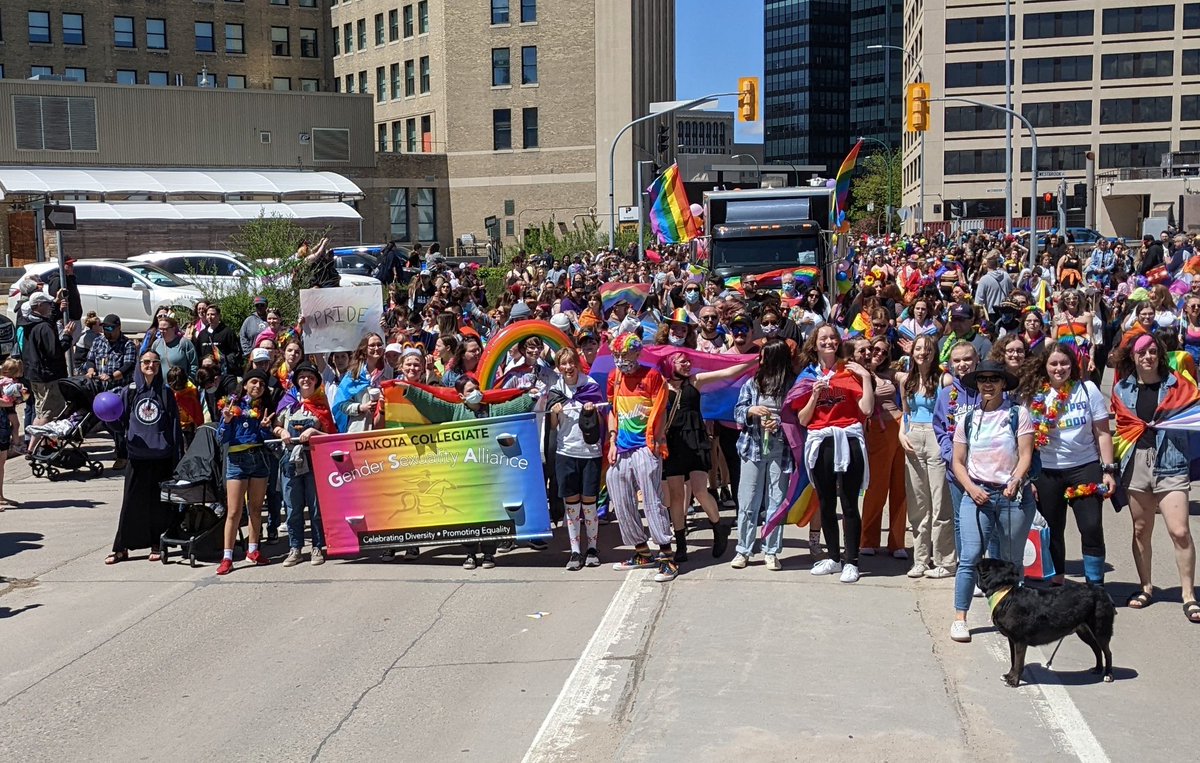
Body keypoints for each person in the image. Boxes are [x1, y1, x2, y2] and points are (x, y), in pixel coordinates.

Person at [390, 374, 539, 570]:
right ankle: (469, 553)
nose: (475, 393)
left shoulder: (492, 410)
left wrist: (532, 397)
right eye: (470, 391)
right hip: (465, 475)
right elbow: (432, 404)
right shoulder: (454, 412)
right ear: (461, 396)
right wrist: (409, 390)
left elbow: (513, 408)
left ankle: (488, 553)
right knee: (467, 514)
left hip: (490, 474)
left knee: (491, 513)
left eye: (477, 389)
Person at [1110, 334, 1199, 622]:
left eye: (1152, 351)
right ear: (1132, 357)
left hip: (1171, 461)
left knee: (1180, 531)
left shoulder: (1179, 386)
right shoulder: (1123, 389)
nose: (1147, 356)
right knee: (1140, 530)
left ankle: (1188, 595)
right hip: (1136, 462)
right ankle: (1146, 587)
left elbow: (1194, 413)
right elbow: (1122, 427)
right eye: (1141, 353)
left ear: (1159, 354)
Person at [949, 359, 1036, 643]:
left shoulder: (1017, 414)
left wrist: (1015, 480)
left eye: (994, 379)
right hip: (977, 495)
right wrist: (971, 488)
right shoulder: (968, 419)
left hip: (1012, 495)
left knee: (1011, 560)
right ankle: (960, 618)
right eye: (983, 379)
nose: (988, 384)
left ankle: (1012, 613)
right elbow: (958, 462)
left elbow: (1025, 455)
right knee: (971, 556)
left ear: (1003, 384)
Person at [1020, 343, 1116, 587]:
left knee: (1091, 526)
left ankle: (1095, 587)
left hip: (1085, 466)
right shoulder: (1033, 394)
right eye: (1054, 363)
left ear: (1073, 365)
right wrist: (1028, 477)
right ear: (1045, 366)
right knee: (1052, 530)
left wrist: (1108, 470)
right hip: (1047, 471)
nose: (1059, 368)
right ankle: (1057, 585)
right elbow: (1025, 440)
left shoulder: (1088, 390)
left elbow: (1103, 433)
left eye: (1064, 363)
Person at [791, 324, 874, 583]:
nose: (828, 342)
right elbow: (803, 420)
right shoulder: (806, 375)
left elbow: (867, 410)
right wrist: (814, 396)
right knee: (825, 502)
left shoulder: (850, 371)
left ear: (839, 342)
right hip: (820, 441)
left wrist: (867, 378)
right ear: (814, 343)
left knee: (849, 502)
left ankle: (852, 561)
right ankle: (834, 558)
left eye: (832, 337)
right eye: (823, 338)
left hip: (848, 438)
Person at [605, 332, 678, 583]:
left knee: (651, 498)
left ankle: (667, 556)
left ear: (637, 352)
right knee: (618, 493)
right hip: (622, 447)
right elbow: (612, 411)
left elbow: (661, 410)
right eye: (616, 355)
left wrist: (656, 442)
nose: (620, 360)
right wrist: (612, 439)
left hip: (645, 446)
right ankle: (641, 551)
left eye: (624, 355)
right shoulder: (614, 378)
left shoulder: (652, 376)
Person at [658, 350, 743, 563]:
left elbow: (727, 373)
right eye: (682, 361)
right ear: (670, 363)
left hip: (696, 441)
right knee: (677, 496)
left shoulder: (694, 381)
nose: (687, 364)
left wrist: (752, 362)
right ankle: (681, 544)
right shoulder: (660, 385)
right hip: (673, 444)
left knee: (699, 490)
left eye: (689, 361)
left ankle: (718, 528)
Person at [106, 351, 182, 564]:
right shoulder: (128, 392)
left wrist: (177, 457)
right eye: (146, 362)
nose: (150, 366)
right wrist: (122, 442)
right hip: (137, 456)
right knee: (131, 503)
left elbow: (175, 426)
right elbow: (115, 420)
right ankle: (121, 548)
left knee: (158, 504)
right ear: (140, 365)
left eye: (155, 363)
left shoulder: (166, 393)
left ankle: (158, 543)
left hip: (161, 456)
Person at [731, 338, 795, 570]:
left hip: (782, 452)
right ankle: (743, 550)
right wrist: (751, 410)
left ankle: (771, 551)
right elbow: (737, 411)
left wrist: (779, 423)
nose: (760, 359)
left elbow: (797, 418)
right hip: (752, 449)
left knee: (776, 503)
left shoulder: (792, 385)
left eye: (765, 355)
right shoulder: (752, 384)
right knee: (748, 500)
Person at [898, 334, 955, 578]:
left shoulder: (944, 379)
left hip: (935, 436)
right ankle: (920, 559)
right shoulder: (907, 380)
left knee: (940, 501)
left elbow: (951, 415)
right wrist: (902, 433)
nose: (922, 353)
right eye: (918, 348)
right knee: (918, 504)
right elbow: (905, 412)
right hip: (913, 437)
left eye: (927, 349)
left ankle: (945, 560)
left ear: (934, 353)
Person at [548, 347, 605, 570]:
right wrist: (555, 412)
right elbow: (553, 427)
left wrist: (592, 410)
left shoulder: (590, 385)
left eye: (571, 363)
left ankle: (592, 548)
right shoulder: (555, 390)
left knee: (589, 502)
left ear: (577, 364)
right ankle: (574, 551)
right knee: (571, 503)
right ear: (558, 367)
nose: (568, 367)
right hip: (566, 452)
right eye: (563, 364)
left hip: (589, 452)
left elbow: (601, 421)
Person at [274, 362, 337, 568]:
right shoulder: (288, 402)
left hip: (314, 460)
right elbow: (275, 425)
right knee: (293, 507)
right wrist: (281, 432)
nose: (306, 380)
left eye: (310, 377)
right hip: (290, 460)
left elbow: (331, 436)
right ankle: (295, 548)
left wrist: (314, 433)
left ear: (316, 381)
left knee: (316, 507)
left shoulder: (322, 405)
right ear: (297, 381)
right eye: (302, 377)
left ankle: (318, 546)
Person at [216, 369, 275, 575]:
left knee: (256, 509)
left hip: (258, 458)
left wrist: (266, 427)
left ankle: (253, 550)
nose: (257, 386)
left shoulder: (262, 409)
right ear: (246, 384)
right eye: (254, 382)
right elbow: (221, 438)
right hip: (237, 460)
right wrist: (227, 421)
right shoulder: (232, 406)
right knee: (233, 511)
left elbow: (263, 438)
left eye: (261, 384)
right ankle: (227, 557)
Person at [860, 335, 907, 559]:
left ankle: (897, 542)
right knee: (877, 487)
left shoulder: (889, 373)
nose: (878, 354)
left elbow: (908, 377)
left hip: (899, 426)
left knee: (900, 487)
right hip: (877, 431)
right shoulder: (860, 372)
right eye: (874, 349)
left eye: (883, 351)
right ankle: (868, 539)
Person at [83, 314, 139, 469]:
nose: (107, 331)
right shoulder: (98, 341)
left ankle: (123, 456)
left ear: (118, 328)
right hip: (100, 390)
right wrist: (90, 369)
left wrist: (111, 377)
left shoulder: (127, 344)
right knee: (106, 424)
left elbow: (128, 366)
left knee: (118, 425)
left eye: (110, 328)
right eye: (104, 328)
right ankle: (120, 447)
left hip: (119, 390)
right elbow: (90, 359)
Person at [21, 292, 76, 432]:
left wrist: (57, 306)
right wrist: (67, 337)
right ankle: (34, 448)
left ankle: (35, 445)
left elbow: (47, 322)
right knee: (48, 414)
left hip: (35, 375)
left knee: (40, 412)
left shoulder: (29, 322)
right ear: (39, 305)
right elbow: (55, 352)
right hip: (47, 377)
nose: (50, 306)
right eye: (47, 304)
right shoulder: (43, 327)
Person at [193, 304, 243, 375]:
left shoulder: (228, 332)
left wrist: (222, 360)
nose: (210, 317)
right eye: (208, 314)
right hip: (206, 373)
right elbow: (197, 353)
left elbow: (236, 353)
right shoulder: (202, 334)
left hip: (223, 373)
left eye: (212, 314)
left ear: (219, 316)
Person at [151, 314, 198, 381]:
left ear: (173, 328)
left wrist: (189, 381)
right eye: (160, 329)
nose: (162, 332)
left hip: (181, 387)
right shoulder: (156, 344)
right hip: (162, 387)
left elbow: (194, 365)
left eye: (165, 329)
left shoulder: (184, 343)